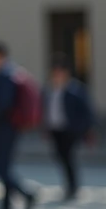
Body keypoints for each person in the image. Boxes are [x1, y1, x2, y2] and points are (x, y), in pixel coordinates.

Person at [0, 42, 38, 209]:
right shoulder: (9, 72)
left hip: (5, 128)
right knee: (4, 166)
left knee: (0, 167)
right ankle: (6, 207)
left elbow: (3, 104)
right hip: (9, 127)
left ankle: (27, 194)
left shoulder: (4, 75)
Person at [42, 54, 95, 201]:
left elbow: (87, 110)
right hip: (55, 128)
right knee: (59, 156)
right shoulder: (50, 89)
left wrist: (88, 129)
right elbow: (45, 109)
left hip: (70, 129)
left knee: (68, 157)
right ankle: (69, 185)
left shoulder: (75, 89)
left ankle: (72, 187)